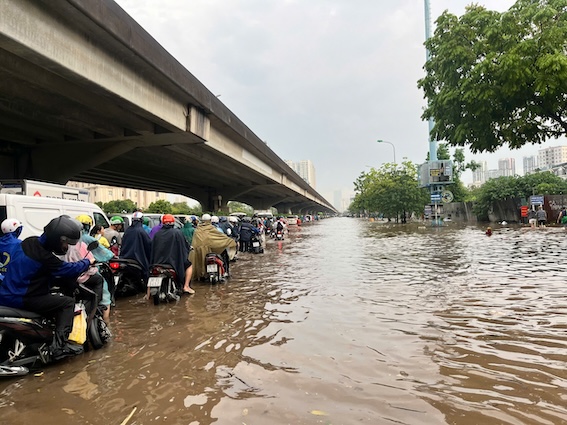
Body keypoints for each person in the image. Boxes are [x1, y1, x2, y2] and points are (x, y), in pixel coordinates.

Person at [0, 215, 94, 360]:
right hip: (23, 298)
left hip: (6, 293)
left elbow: (35, 271)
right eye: (66, 243)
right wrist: (87, 262)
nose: (66, 247)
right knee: (67, 303)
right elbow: (68, 269)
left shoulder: (28, 242)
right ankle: (58, 347)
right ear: (57, 239)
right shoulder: (45, 257)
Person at [151, 214, 194, 294]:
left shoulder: (157, 234)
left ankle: (148, 294)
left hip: (158, 262)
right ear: (173, 223)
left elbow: (153, 248)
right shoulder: (177, 233)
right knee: (189, 265)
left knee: (151, 273)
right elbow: (184, 246)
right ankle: (186, 286)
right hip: (173, 262)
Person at [190, 214, 236, 281]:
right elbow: (220, 237)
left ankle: (201, 275)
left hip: (199, 251)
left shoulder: (197, 230)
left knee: (199, 263)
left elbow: (195, 242)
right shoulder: (212, 229)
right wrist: (230, 241)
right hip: (209, 249)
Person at [120, 211, 152, 285]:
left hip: (125, 258)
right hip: (138, 258)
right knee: (146, 271)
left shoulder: (128, 230)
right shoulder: (141, 231)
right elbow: (148, 245)